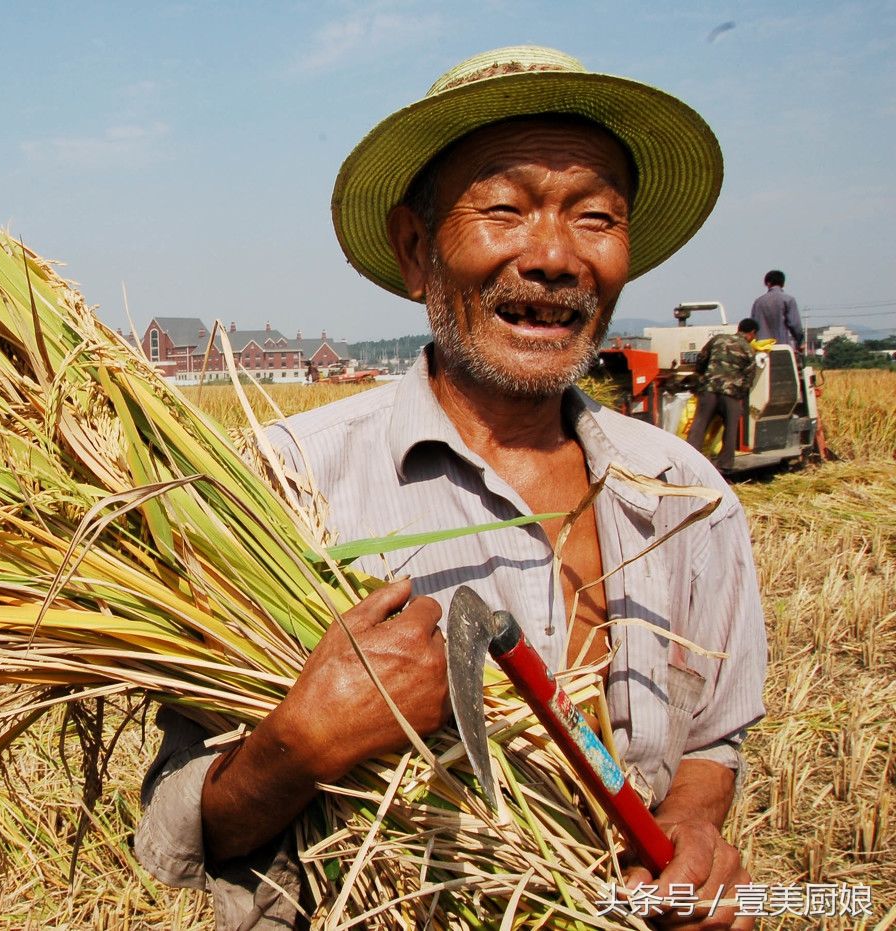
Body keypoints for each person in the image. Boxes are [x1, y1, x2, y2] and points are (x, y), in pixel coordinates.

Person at [136, 46, 766, 931]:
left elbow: (713, 738)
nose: (553, 255)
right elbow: (177, 824)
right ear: (414, 249)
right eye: (504, 208)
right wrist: (296, 746)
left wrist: (692, 829)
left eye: (595, 217)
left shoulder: (685, 496)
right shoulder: (281, 488)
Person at [686, 319, 761, 474]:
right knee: (731, 428)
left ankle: (688, 461)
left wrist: (702, 374)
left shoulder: (718, 339)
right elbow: (749, 377)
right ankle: (724, 465)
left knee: (699, 425)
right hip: (731, 393)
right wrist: (740, 395)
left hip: (709, 389)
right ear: (752, 333)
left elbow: (701, 357)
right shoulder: (748, 350)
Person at [751, 270, 804, 351]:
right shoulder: (788, 300)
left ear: (767, 283)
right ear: (783, 283)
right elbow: (795, 325)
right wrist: (800, 343)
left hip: (762, 349)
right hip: (782, 348)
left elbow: (752, 327)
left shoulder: (758, 302)